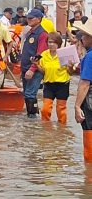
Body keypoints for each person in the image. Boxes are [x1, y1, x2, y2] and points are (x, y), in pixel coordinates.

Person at [37, 32, 73, 124]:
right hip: (49, 84)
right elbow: (43, 72)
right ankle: (45, 127)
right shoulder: (44, 54)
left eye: (54, 42)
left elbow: (70, 72)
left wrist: (70, 66)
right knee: (45, 109)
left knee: (61, 110)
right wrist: (36, 65)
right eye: (49, 42)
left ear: (58, 44)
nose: (51, 44)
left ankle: (62, 129)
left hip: (62, 85)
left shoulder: (64, 54)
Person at [20, 8, 49, 118]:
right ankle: (33, 114)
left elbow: (40, 53)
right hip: (25, 67)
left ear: (39, 19)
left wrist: (32, 69)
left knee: (29, 94)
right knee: (27, 94)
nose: (29, 20)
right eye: (28, 18)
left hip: (35, 69)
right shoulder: (30, 32)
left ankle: (32, 118)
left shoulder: (42, 34)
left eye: (31, 18)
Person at [74, 20, 92, 162]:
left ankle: (89, 173)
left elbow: (85, 83)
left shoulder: (90, 57)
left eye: (85, 36)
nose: (82, 39)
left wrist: (77, 105)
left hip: (90, 100)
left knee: (89, 132)